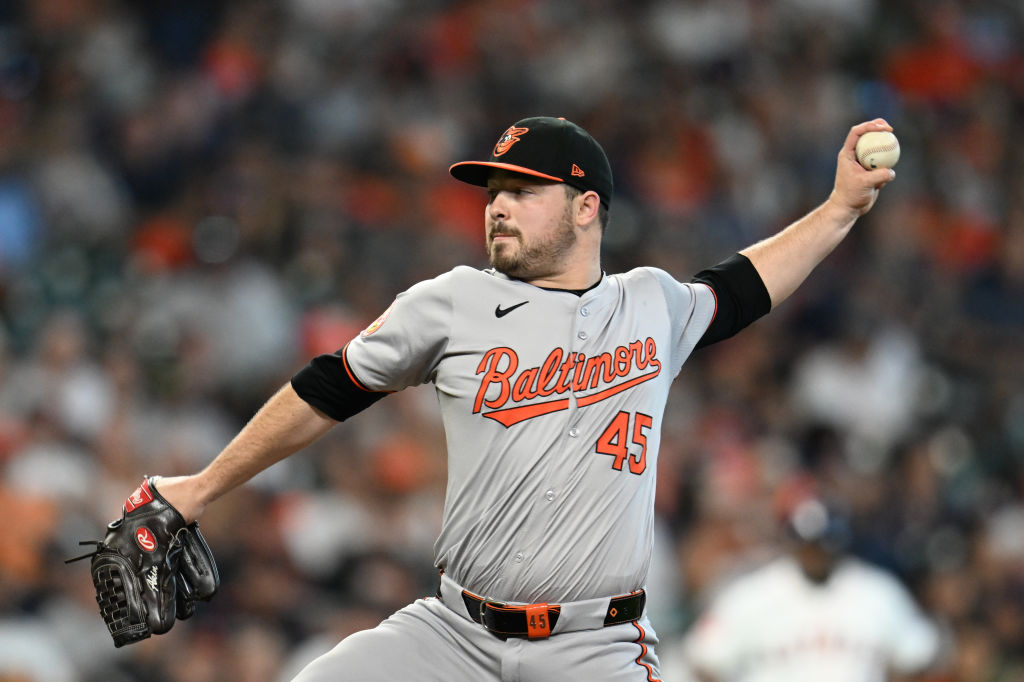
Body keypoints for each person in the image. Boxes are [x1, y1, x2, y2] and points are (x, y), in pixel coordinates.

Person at [149, 115, 897, 680]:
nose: (498, 206)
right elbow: (324, 390)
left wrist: (839, 207)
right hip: (453, 635)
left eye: (523, 190)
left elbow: (744, 285)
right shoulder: (451, 302)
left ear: (585, 207)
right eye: (493, 192)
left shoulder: (651, 304)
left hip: (595, 648)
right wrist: (200, 487)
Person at [678, 496, 942, 682]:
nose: (815, 553)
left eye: (823, 544)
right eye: (808, 545)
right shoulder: (753, 594)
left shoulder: (877, 591)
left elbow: (921, 654)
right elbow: (703, 658)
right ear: (792, 544)